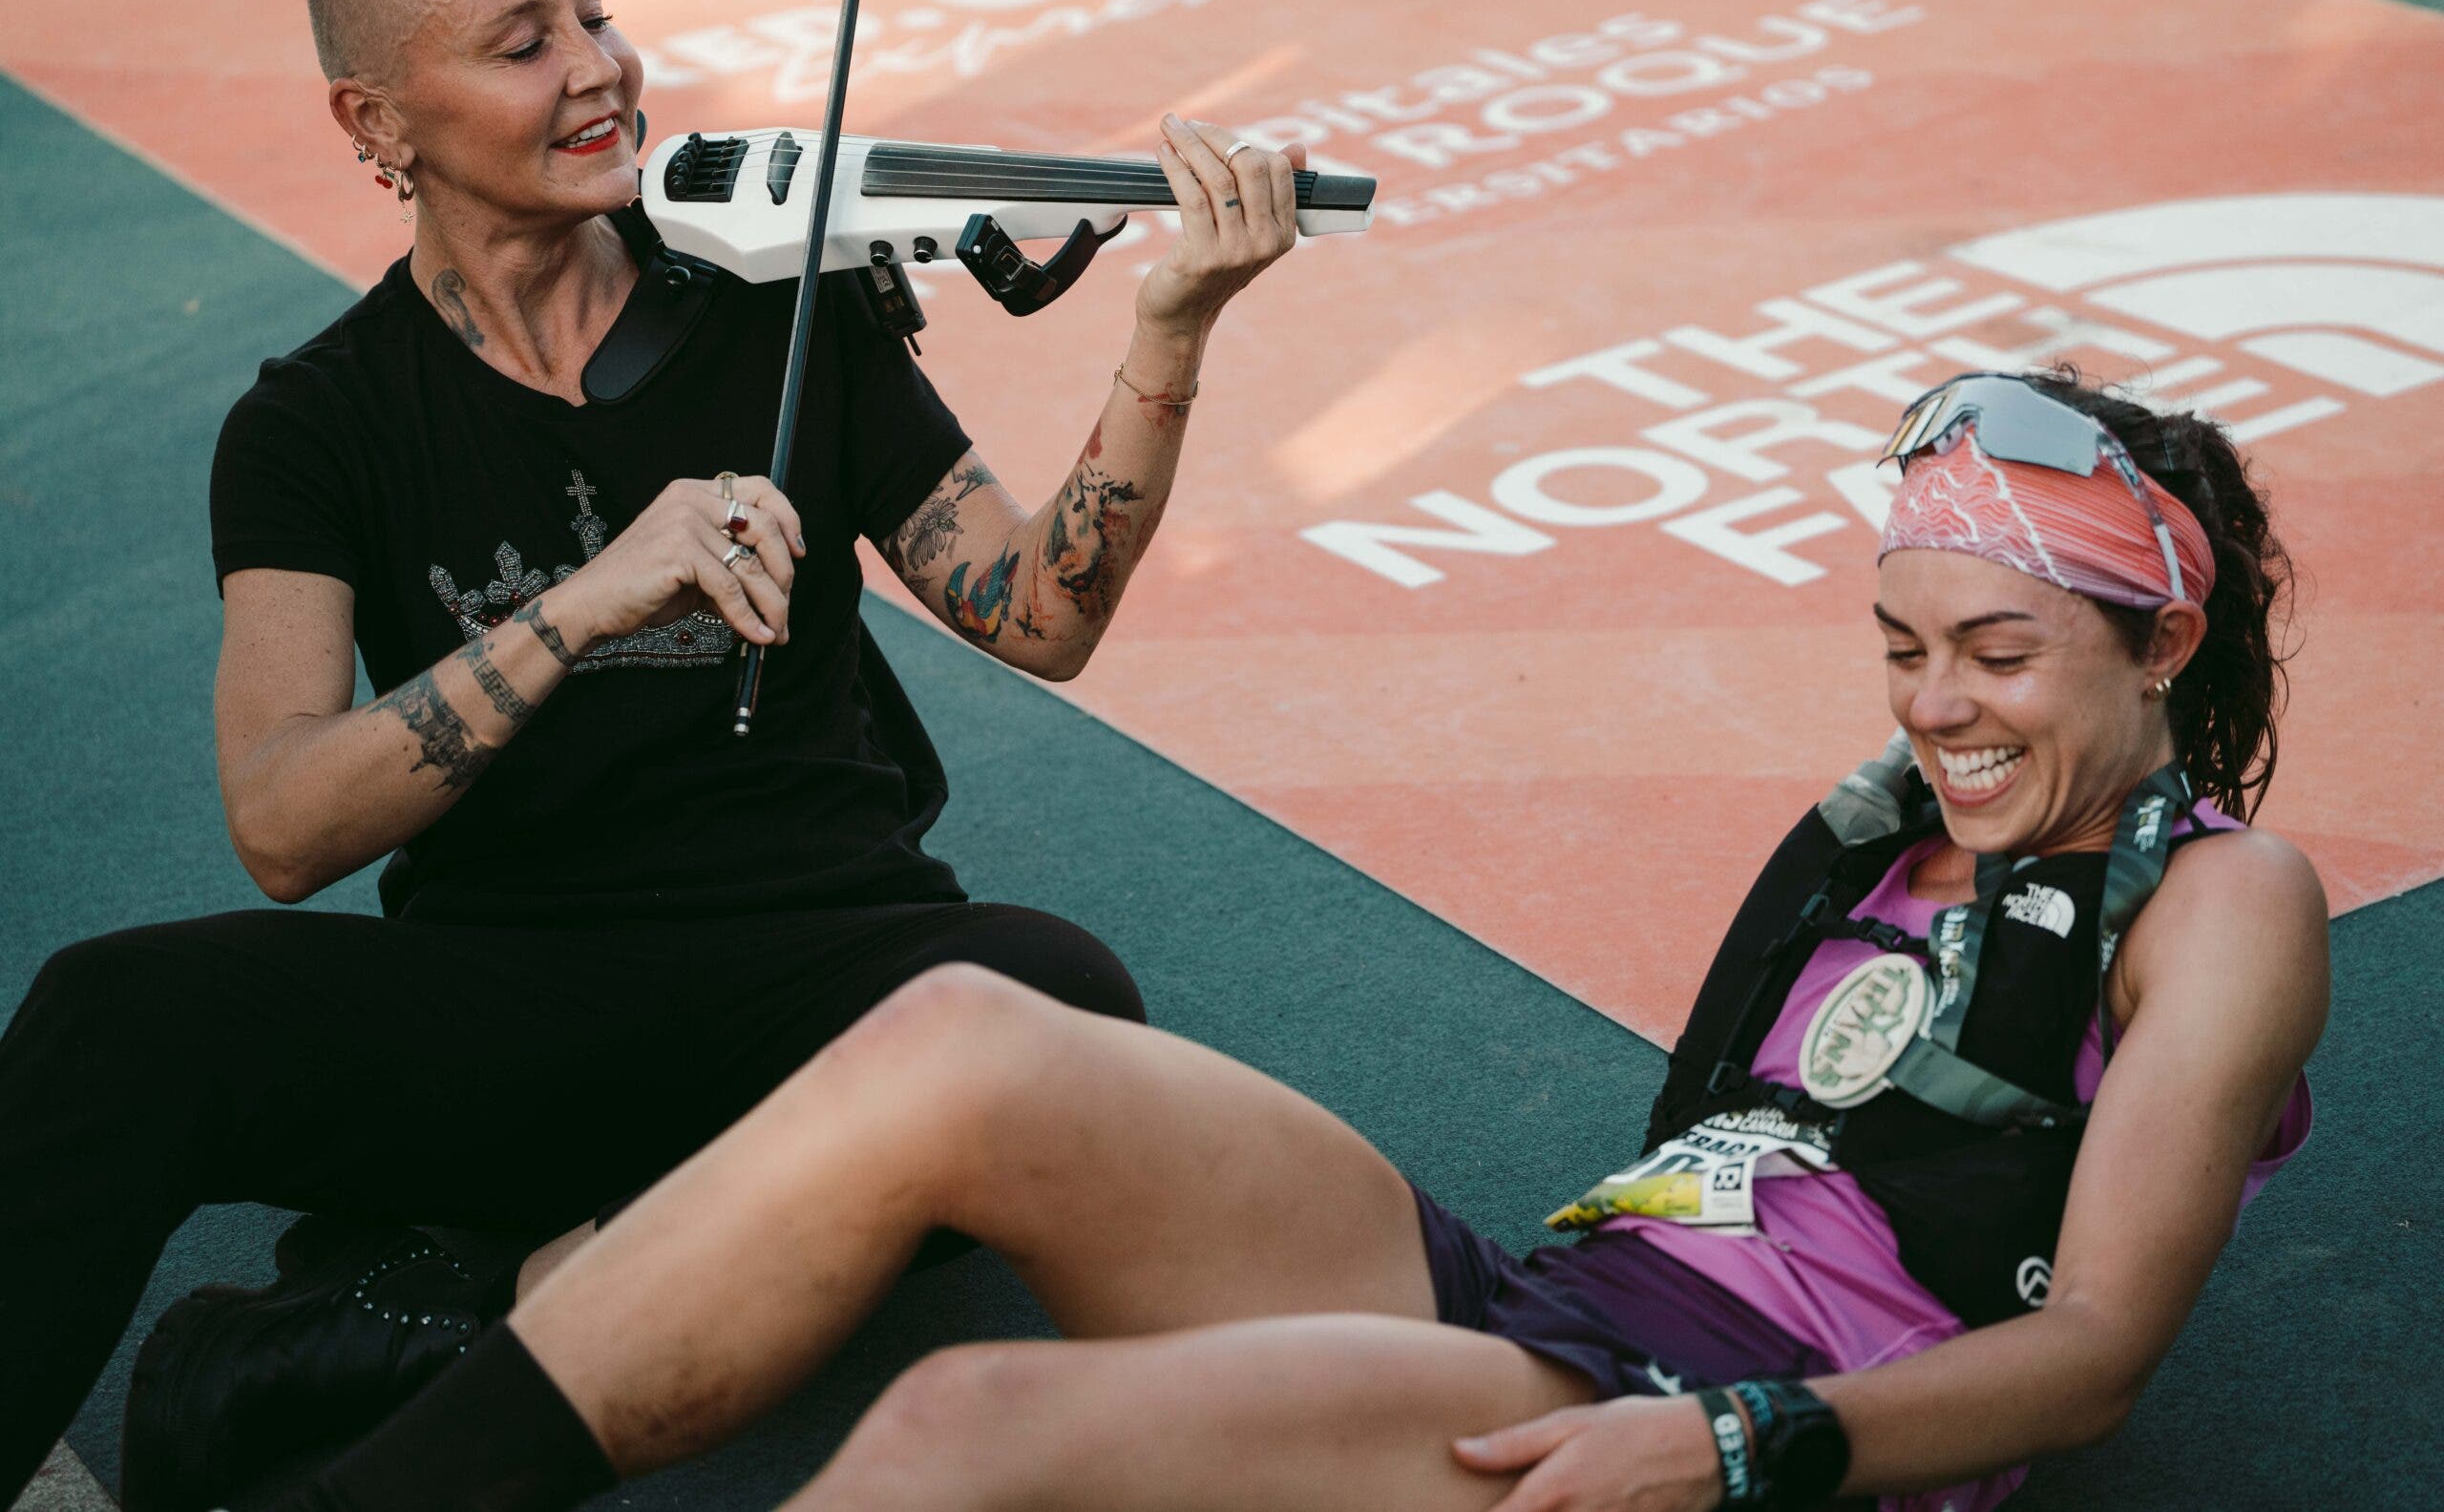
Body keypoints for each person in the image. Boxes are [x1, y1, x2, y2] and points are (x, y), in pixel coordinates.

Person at [250, 368, 2326, 1512]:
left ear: (2160, 641)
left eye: (1996, 654)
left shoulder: (2224, 899)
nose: (1936, 705)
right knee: (961, 1034)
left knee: (967, 1435)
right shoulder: (1908, 836)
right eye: (1899, 648)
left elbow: (2092, 1355)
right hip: (1567, 1294)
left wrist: (1722, 1445)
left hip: (1720, 1416)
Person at [0, 0, 1312, 1501]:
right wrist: (578, 607)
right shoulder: (313, 425)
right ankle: (538, 1276)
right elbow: (281, 824)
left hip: (819, 968)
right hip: (508, 1000)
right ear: (376, 119)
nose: (599, 68)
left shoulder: (777, 301)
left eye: (596, 12)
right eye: (521, 45)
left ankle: (463, 1305)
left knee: (1055, 996)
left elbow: (1038, 613)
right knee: (115, 1014)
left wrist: (1170, 331)